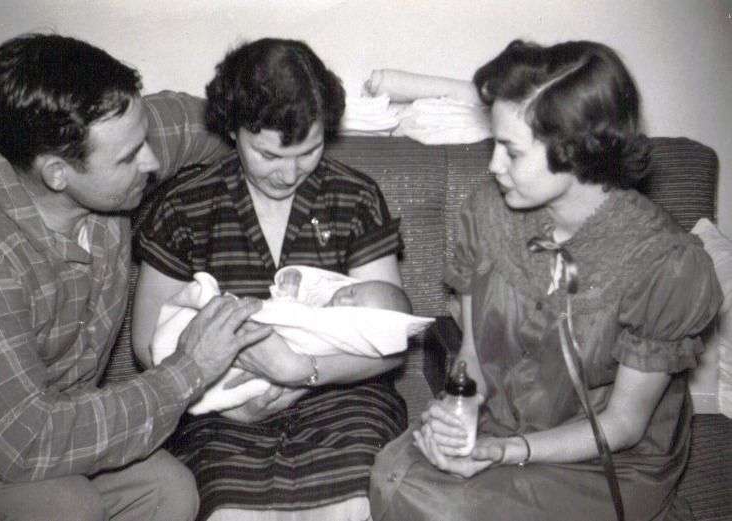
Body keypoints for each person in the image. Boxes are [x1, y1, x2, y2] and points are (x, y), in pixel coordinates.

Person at [369, 39, 723, 521]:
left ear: (574, 152)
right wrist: (460, 414)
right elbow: (473, 355)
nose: (493, 165)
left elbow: (623, 424)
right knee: (393, 477)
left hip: (604, 458)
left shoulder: (666, 264)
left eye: (511, 152)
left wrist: (504, 452)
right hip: (501, 421)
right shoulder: (488, 212)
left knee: (444, 509)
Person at [0, 33, 273, 521]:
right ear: (57, 174)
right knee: (64, 508)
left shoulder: (108, 134)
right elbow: (25, 441)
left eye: (144, 140)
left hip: (61, 410)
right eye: (130, 157)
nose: (151, 161)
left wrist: (281, 151)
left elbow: (221, 122)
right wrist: (191, 369)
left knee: (169, 492)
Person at [132, 38, 407, 521]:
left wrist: (303, 371)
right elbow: (147, 342)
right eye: (269, 155)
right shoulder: (184, 206)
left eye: (309, 151)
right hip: (218, 411)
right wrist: (223, 400)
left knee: (354, 500)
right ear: (232, 130)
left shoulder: (354, 196)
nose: (289, 173)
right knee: (230, 507)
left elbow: (391, 337)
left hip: (344, 397)